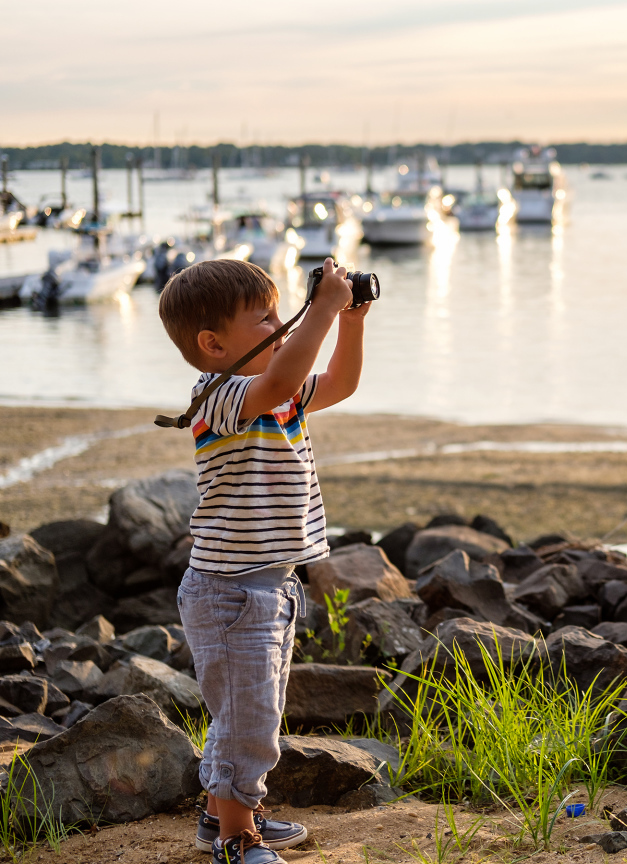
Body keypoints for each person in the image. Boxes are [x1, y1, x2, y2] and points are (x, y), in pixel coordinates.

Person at [158, 257, 369, 864]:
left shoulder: (278, 397)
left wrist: (350, 319)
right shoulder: (218, 397)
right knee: (247, 721)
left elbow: (341, 381)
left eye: (282, 314)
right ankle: (236, 839)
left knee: (252, 714)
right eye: (267, 318)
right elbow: (278, 381)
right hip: (228, 593)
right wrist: (322, 309)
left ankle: (219, 815)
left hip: (271, 587)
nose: (283, 324)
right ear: (212, 345)